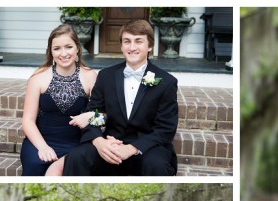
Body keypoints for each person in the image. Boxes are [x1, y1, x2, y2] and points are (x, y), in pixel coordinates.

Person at [63, 20, 178, 176]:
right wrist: (99, 142)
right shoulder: (106, 76)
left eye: (138, 41)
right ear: (122, 46)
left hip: (147, 149)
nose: (132, 47)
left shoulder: (166, 82)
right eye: (127, 41)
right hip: (111, 144)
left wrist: (131, 149)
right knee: (77, 156)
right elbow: (96, 114)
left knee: (157, 165)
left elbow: (165, 129)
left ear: (150, 46)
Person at [19, 24, 97, 176]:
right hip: (41, 141)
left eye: (68, 47)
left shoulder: (90, 77)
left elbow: (104, 115)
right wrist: (43, 147)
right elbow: (27, 121)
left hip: (76, 144)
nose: (63, 53)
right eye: (57, 48)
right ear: (51, 51)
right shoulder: (39, 77)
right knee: (36, 165)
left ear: (77, 49)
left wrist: (91, 115)